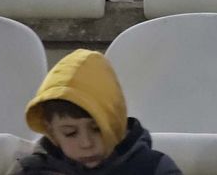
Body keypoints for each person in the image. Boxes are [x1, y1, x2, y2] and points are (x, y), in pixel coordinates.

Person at [15, 49, 181, 174]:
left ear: (116, 123)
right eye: (70, 133)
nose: (86, 143)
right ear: (51, 131)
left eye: (97, 129)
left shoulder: (154, 168)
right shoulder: (31, 170)